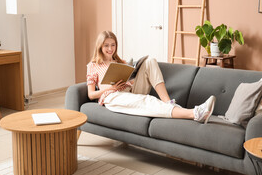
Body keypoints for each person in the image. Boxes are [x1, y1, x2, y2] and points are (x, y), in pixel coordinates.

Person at [86, 30, 216, 123]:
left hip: (129, 90)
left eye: (113, 45)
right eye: (106, 45)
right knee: (147, 100)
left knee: (150, 61)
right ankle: (195, 113)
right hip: (113, 96)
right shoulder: (93, 65)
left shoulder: (120, 62)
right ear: (100, 46)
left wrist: (130, 79)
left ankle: (167, 102)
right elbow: (91, 94)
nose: (110, 48)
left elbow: (129, 79)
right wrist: (111, 88)